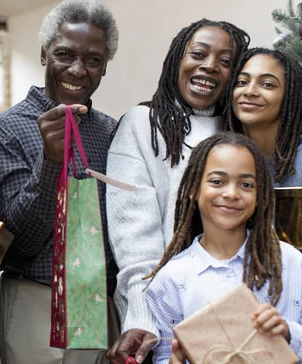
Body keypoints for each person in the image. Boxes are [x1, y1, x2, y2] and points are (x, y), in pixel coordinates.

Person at [105, 19, 250, 364]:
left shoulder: (240, 130)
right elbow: (133, 235)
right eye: (198, 54)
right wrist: (142, 314)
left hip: (242, 314)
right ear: (176, 60)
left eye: (225, 61)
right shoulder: (143, 125)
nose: (209, 66)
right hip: (169, 316)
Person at [0, 0, 120, 362]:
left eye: (93, 59)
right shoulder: (9, 128)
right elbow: (19, 241)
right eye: (65, 54)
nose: (78, 70)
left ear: (104, 66)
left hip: (97, 297)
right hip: (37, 297)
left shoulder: (110, 132)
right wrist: (51, 162)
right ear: (44, 55)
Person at [144, 132, 302, 363]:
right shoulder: (170, 279)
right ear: (193, 189)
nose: (231, 194)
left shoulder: (292, 262)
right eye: (217, 181)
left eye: (246, 184)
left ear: (260, 196)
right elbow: (164, 355)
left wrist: (289, 333)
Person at [225, 47, 302, 186]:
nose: (249, 91)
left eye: (267, 84)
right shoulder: (220, 156)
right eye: (242, 82)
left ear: (290, 96)